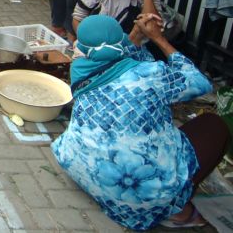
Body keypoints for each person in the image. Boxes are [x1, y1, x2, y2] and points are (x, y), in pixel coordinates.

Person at [52, 14, 230, 230]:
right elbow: (200, 83)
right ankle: (176, 208)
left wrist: (135, 34)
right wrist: (159, 39)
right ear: (119, 43)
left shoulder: (81, 67)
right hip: (134, 194)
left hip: (83, 168)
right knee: (213, 124)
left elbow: (115, 53)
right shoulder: (150, 75)